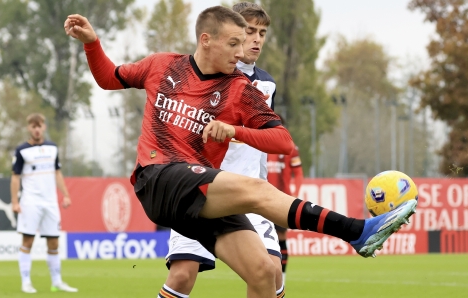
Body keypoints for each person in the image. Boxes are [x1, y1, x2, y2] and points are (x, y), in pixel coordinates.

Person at [65, 6, 417, 297]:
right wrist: (93, 43)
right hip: (158, 178)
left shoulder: (240, 88)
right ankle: (356, 230)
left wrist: (237, 131)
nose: (241, 50)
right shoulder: (162, 65)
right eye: (234, 42)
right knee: (256, 194)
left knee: (265, 272)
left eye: (245, 42)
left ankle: (357, 232)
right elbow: (110, 77)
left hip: (200, 197)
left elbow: (283, 142)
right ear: (206, 40)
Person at [161, 3, 285, 298]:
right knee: (181, 276)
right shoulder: (204, 74)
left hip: (249, 193)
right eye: (250, 31)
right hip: (202, 189)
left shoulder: (267, 85)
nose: (256, 39)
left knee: (271, 271)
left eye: (262, 33)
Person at [11, 113, 78, 294]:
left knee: (54, 243)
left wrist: (65, 195)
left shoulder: (52, 148)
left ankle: (57, 282)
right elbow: (15, 177)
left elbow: (57, 173)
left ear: (44, 127)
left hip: (50, 203)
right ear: (29, 128)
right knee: (28, 240)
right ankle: (26, 282)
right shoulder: (21, 150)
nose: (37, 129)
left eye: (39, 125)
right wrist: (15, 201)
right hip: (31, 202)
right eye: (33, 126)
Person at [267, 140, 303, 282]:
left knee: (281, 237)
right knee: (259, 239)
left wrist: (295, 194)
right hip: (261, 197)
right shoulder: (258, 145)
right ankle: (265, 275)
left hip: (282, 199)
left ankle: (282, 277)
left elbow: (298, 173)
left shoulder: (290, 148)